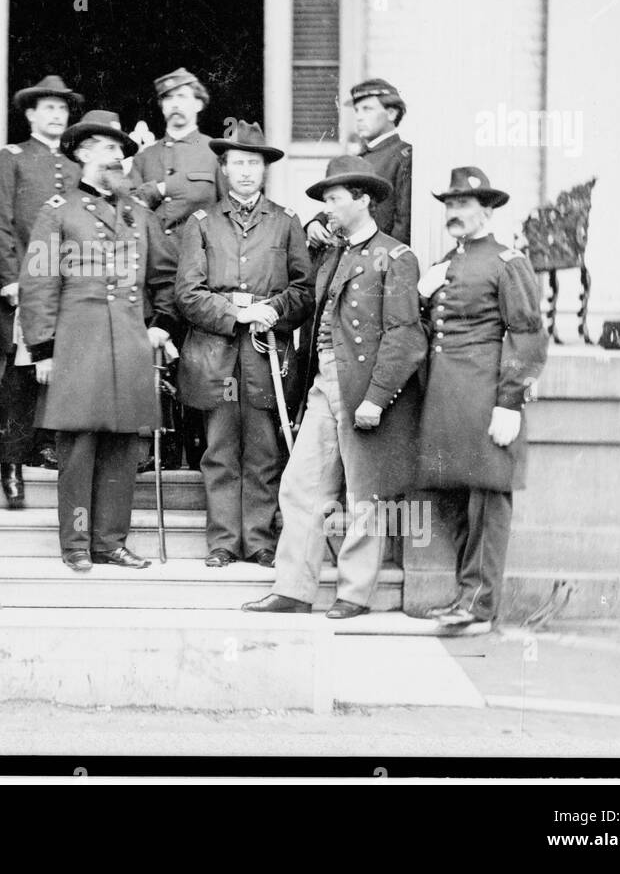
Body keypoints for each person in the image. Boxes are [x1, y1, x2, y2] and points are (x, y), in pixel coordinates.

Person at [243, 156, 425, 619]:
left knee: (364, 496)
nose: (327, 209)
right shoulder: (331, 253)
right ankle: (293, 588)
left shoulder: (396, 256)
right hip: (324, 385)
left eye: (335, 199)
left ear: (363, 200)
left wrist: (377, 398)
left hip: (363, 390)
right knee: (301, 485)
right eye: (324, 200)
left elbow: (405, 335)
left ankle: (354, 593)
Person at [18, 115, 179, 572]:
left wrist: (162, 324)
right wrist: (43, 348)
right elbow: (38, 281)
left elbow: (166, 274)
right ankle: (77, 542)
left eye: (121, 152)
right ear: (84, 153)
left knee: (123, 446)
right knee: (80, 445)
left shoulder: (137, 214)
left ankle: (111, 542)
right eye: (109, 150)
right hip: (76, 340)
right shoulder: (58, 211)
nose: (118, 159)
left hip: (128, 342)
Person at [416, 166, 549, 632]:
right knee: (455, 499)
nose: (453, 212)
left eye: (463, 205)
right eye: (449, 205)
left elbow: (528, 335)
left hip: (485, 396)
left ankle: (479, 605)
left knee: (488, 501)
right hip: (446, 399)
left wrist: (509, 401)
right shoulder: (448, 262)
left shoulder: (507, 261)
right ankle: (465, 594)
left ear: (486, 210)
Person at [175, 119, 313, 568]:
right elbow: (188, 295)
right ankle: (222, 543)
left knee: (263, 452)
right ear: (224, 168)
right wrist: (238, 313)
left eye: (254, 163)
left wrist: (272, 311)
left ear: (264, 169)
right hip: (215, 357)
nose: (246, 171)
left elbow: (303, 291)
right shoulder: (200, 224)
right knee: (218, 452)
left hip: (264, 355)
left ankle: (258, 540)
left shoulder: (286, 222)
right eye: (238, 163)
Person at [0, 75, 83, 506]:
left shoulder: (78, 165)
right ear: (29, 114)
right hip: (28, 284)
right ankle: (11, 463)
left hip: (73, 286)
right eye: (48, 108)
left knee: (63, 367)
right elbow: (0, 222)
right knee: (23, 373)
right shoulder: (13, 158)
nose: (56, 115)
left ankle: (45, 447)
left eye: (62, 108)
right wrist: (10, 279)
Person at [131, 66, 227, 470]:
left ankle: (199, 452)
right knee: (154, 359)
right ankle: (159, 452)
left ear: (199, 104)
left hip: (202, 275)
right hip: (154, 273)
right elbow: (128, 206)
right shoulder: (146, 156)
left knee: (199, 363)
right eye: (168, 98)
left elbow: (226, 210)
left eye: (184, 97)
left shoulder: (216, 152)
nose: (175, 105)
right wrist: (153, 191)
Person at [306, 78, 413, 251]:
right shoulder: (359, 158)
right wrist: (317, 222)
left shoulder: (403, 157)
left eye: (367, 109)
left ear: (391, 114)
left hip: (379, 255)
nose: (359, 117)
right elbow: (340, 201)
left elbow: (403, 222)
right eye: (356, 110)